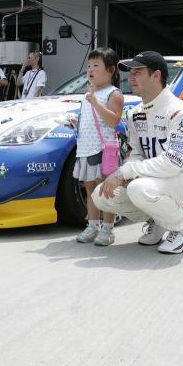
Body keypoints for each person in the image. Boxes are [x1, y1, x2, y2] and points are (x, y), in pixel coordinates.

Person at [93, 51, 183, 254]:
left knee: (139, 188)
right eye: (131, 72)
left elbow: (172, 163)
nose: (131, 77)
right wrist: (127, 172)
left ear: (156, 75)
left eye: (138, 72)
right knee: (101, 195)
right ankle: (160, 220)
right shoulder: (135, 113)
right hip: (153, 179)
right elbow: (136, 153)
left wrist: (123, 173)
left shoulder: (180, 113)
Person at [73, 48, 124, 246]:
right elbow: (89, 120)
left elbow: (113, 121)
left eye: (96, 66)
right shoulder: (89, 94)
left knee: (106, 190)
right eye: (88, 66)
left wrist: (94, 102)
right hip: (86, 148)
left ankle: (108, 229)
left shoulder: (114, 93)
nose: (90, 70)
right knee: (90, 189)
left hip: (104, 150)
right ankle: (92, 225)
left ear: (110, 70)